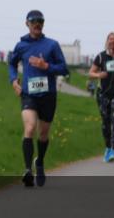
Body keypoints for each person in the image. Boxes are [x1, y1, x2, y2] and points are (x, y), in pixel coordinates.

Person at [8, 10, 69, 188]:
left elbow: (64, 69)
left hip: (48, 95)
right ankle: (28, 170)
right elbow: (11, 63)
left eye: (40, 21)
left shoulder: (52, 45)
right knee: (30, 127)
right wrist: (13, 80)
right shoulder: (21, 46)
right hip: (28, 94)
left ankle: (40, 161)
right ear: (27, 23)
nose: (38, 24)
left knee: (43, 134)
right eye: (34, 21)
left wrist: (46, 66)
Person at [88, 32, 114, 162]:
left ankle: (113, 150)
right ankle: (107, 146)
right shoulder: (101, 56)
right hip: (103, 93)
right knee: (106, 121)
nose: (112, 41)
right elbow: (91, 73)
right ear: (107, 41)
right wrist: (99, 75)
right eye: (110, 39)